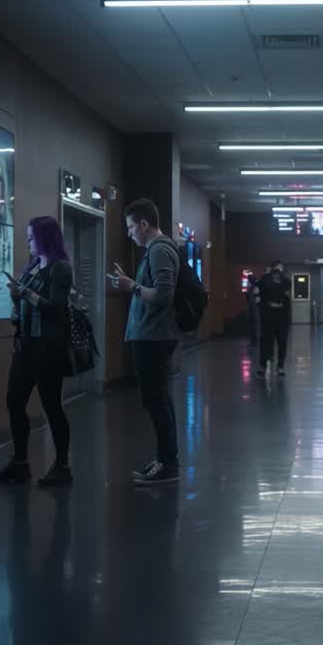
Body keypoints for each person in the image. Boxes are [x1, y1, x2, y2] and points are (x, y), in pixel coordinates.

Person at [0, 216, 75, 487]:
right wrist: (17, 295)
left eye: (31, 236)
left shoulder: (60, 268)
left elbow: (56, 306)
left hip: (48, 349)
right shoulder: (34, 266)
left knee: (52, 406)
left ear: (44, 237)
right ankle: (20, 463)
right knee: (14, 401)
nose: (27, 241)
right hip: (25, 345)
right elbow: (26, 305)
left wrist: (27, 294)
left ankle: (62, 465)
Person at [107, 199, 182, 486]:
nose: (129, 234)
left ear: (143, 224)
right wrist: (130, 284)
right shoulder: (157, 250)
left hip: (153, 336)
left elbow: (164, 295)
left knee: (156, 400)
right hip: (151, 335)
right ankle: (165, 458)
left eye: (130, 227)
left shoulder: (160, 250)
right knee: (158, 399)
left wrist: (133, 287)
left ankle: (168, 462)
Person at [255, 261, 291, 376]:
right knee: (265, 341)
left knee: (282, 341)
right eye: (277, 267)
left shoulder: (285, 281)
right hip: (268, 315)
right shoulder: (264, 280)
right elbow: (256, 292)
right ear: (272, 268)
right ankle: (263, 365)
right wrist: (262, 304)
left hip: (282, 316)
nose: (279, 270)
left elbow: (286, 296)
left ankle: (280, 366)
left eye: (281, 268)